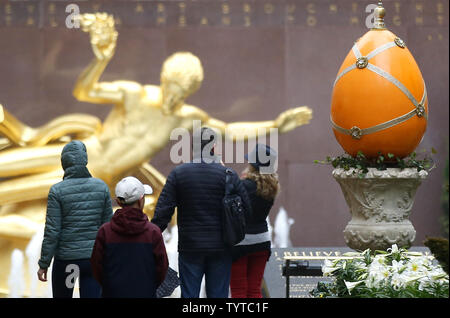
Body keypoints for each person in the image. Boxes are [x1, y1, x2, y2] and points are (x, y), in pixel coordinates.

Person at [151, 127, 252, 298]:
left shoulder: (178, 174)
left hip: (190, 246)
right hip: (221, 247)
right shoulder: (228, 174)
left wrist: (149, 237)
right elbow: (247, 210)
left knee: (189, 296)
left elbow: (163, 212)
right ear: (213, 147)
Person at [37, 140, 113, 298]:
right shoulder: (101, 187)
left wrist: (44, 264)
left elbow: (52, 231)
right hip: (93, 259)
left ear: (64, 162)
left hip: (66, 261)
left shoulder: (57, 191)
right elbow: (108, 227)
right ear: (85, 160)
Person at [90, 176, 169, 298]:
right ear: (141, 200)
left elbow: (96, 267)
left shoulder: (105, 232)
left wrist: (109, 287)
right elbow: (162, 268)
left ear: (118, 201)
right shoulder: (153, 232)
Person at [230, 144, 280, 298]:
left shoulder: (243, 185)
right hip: (262, 241)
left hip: (241, 243)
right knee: (254, 289)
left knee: (239, 289)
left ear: (252, 165)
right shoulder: (272, 188)